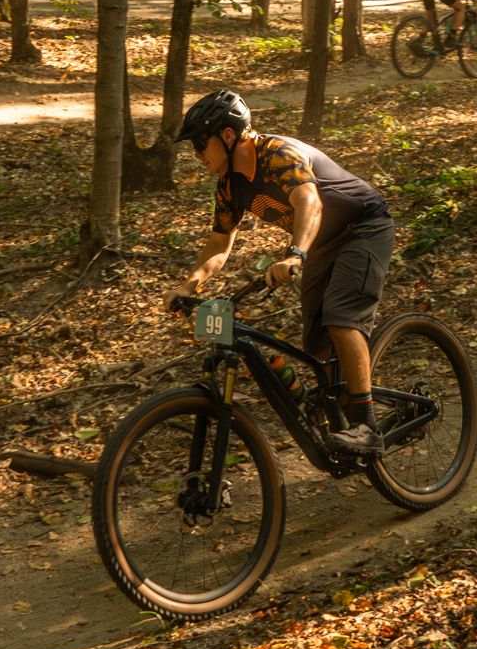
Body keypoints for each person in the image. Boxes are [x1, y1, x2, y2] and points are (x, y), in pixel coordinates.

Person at [170, 90, 396, 458]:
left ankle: (368, 426)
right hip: (321, 245)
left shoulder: (276, 154)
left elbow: (309, 201)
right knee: (317, 343)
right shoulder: (229, 186)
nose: (197, 155)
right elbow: (218, 245)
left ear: (228, 135)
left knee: (341, 319)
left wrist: (294, 254)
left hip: (363, 227)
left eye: (200, 144)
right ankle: (343, 419)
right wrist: (189, 284)